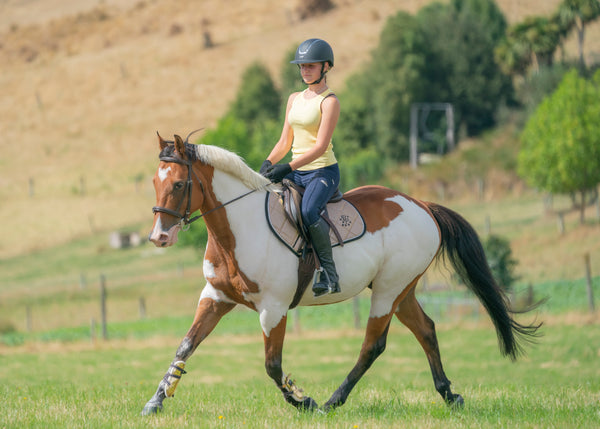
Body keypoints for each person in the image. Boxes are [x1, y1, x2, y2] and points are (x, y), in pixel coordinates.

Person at [260, 38, 341, 298]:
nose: (305, 70)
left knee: (308, 211)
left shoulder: (329, 102)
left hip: (322, 171)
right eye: (302, 66)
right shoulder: (294, 99)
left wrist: (288, 167)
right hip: (296, 170)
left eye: (311, 66)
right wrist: (269, 163)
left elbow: (320, 147)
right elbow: (285, 141)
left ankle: (329, 273)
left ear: (325, 66)